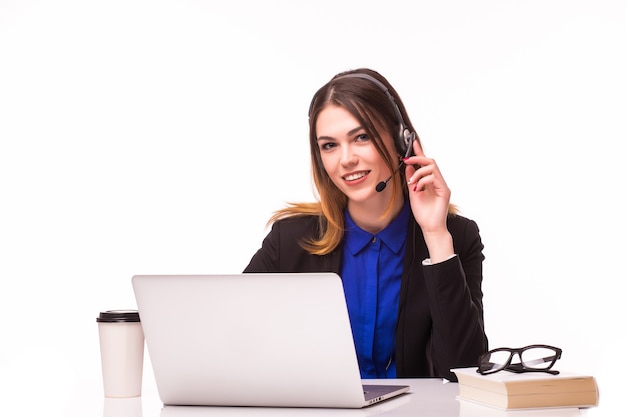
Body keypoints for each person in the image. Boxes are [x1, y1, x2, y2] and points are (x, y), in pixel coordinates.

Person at [244, 68, 487, 382]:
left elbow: (463, 373)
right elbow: (234, 343)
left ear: (403, 141)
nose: (346, 159)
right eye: (329, 145)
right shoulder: (288, 242)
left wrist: (435, 235)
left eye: (361, 137)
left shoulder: (458, 238)